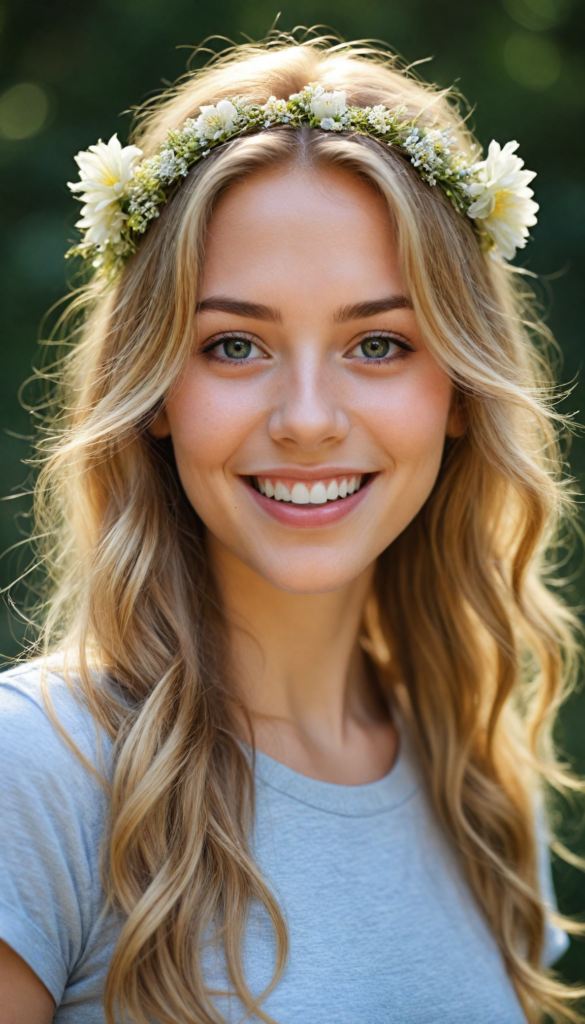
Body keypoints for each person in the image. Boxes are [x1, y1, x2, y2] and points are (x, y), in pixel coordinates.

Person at [0, 30, 582, 1024]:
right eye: (234, 344)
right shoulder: (37, 771)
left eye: (379, 343)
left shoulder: (481, 793)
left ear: (457, 390)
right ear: (153, 391)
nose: (308, 417)